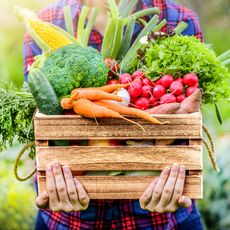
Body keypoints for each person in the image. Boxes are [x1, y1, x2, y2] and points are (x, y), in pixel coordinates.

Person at [24, 0, 204, 229]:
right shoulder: (44, 22)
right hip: (69, 222)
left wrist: (178, 178)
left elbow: (189, 128)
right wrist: (52, 182)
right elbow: (40, 127)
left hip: (163, 220)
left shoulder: (180, 19)